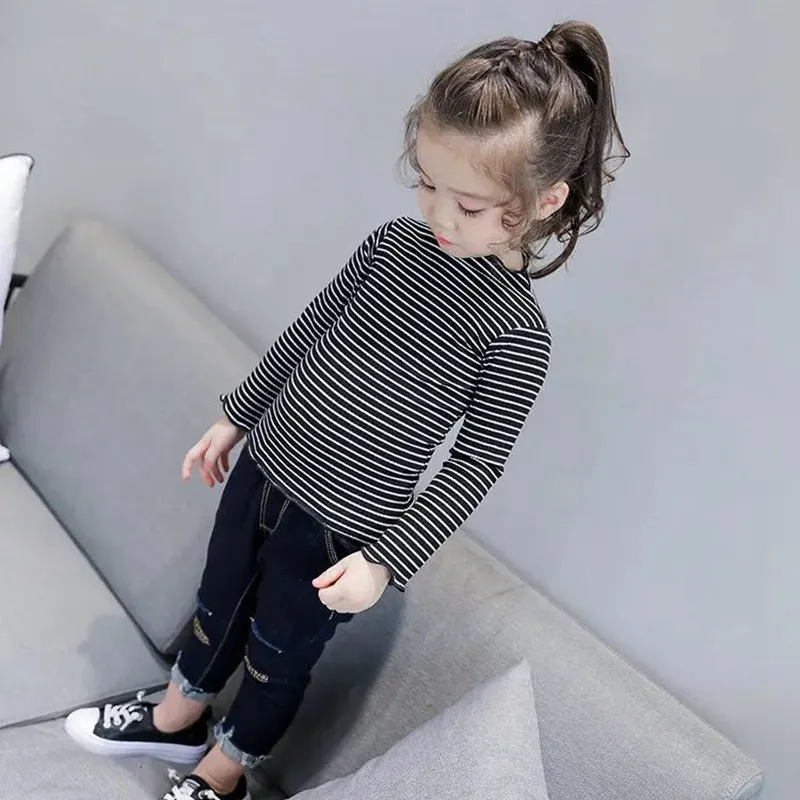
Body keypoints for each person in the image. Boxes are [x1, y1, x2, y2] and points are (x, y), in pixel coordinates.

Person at [64, 20, 628, 800]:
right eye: (426, 185)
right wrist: (236, 417)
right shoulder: (393, 245)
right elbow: (309, 334)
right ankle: (175, 717)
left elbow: (474, 467)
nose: (439, 215)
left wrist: (385, 561)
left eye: (467, 204)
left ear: (543, 201)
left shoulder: (515, 334)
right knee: (216, 601)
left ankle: (222, 774)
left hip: (337, 531)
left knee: (277, 653)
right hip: (263, 468)